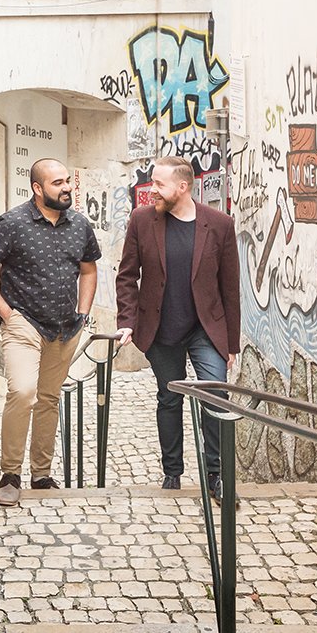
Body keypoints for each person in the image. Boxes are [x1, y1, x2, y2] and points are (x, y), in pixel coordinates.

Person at [0, 158, 101, 507]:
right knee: (23, 392)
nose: (67, 188)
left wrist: (83, 314)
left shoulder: (79, 226)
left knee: (48, 400)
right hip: (24, 324)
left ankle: (41, 475)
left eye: (68, 181)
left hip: (65, 327)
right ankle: (10, 473)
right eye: (57, 183)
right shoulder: (12, 224)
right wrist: (7, 314)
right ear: (38, 189)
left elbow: (89, 270)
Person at [113, 156, 241, 496]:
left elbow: (230, 287)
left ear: (182, 187)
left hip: (205, 328)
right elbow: (127, 277)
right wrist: (126, 321)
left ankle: (216, 474)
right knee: (169, 399)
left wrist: (231, 344)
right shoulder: (142, 221)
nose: (152, 190)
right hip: (160, 327)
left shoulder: (219, 224)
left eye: (159, 184)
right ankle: (172, 472)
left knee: (216, 395)